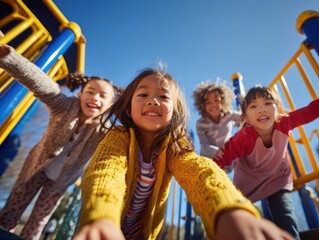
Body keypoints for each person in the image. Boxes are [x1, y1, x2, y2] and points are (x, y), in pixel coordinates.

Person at [74, 67, 294, 240]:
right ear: (128, 104)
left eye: (163, 96)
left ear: (175, 110)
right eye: (143, 94)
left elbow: (198, 171)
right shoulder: (118, 137)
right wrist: (101, 217)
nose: (153, 100)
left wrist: (229, 209)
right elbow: (106, 172)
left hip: (145, 234)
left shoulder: (174, 145)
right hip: (105, 226)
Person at [0, 43, 122, 240]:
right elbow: (41, 83)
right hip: (36, 168)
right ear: (80, 95)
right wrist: (8, 57)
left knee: (39, 220)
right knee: (13, 208)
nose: (95, 98)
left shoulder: (103, 131)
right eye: (90, 91)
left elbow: (124, 135)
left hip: (61, 181)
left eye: (102, 96)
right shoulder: (63, 106)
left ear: (109, 106)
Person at [213, 86, 319, 239]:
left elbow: (309, 111)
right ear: (246, 117)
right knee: (240, 218)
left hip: (277, 179)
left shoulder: (285, 122)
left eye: (268, 103)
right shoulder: (243, 137)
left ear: (278, 108)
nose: (261, 109)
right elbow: (221, 158)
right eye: (253, 106)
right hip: (248, 183)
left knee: (285, 215)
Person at [193, 80, 241, 170]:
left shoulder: (229, 115)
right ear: (202, 105)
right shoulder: (201, 124)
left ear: (222, 101)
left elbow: (246, 117)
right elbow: (204, 145)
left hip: (228, 157)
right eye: (208, 102)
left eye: (216, 100)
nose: (213, 105)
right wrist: (217, 151)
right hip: (210, 160)